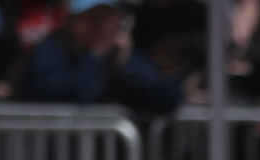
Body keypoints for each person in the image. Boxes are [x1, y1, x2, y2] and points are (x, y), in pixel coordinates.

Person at [14, 0, 182, 114]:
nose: (101, 27)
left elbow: (169, 98)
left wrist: (125, 63)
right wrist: (94, 57)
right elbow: (69, 96)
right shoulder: (51, 52)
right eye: (92, 19)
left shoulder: (123, 57)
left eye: (107, 18)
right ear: (72, 22)